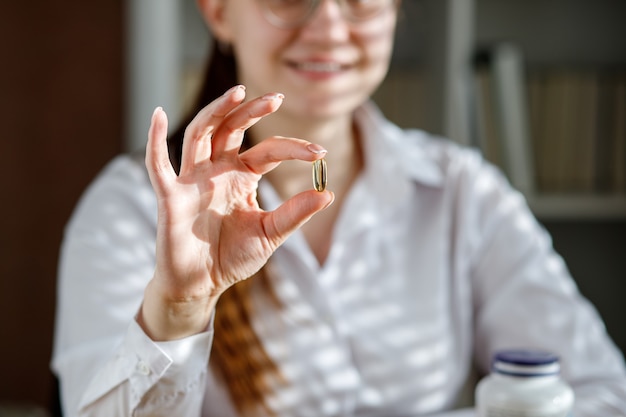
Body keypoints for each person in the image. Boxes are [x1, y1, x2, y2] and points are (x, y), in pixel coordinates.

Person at [51, 0, 626, 416]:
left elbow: (602, 390)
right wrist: (178, 309)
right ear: (219, 11)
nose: (328, 27)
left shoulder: (462, 192)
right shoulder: (129, 211)